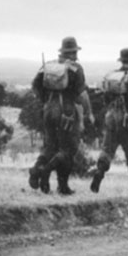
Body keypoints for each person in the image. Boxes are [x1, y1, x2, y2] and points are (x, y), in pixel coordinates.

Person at [28, 37, 92, 195]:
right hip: (67, 111)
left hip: (49, 108)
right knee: (68, 149)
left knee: (50, 147)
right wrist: (89, 113)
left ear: (62, 52)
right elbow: (82, 95)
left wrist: (45, 100)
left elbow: (35, 86)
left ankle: (36, 169)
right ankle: (54, 178)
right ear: (74, 52)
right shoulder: (76, 69)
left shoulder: (48, 66)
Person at [91, 48, 128, 194]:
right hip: (127, 118)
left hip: (111, 115)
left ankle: (99, 172)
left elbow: (105, 97)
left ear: (121, 60)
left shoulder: (113, 75)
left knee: (107, 149)